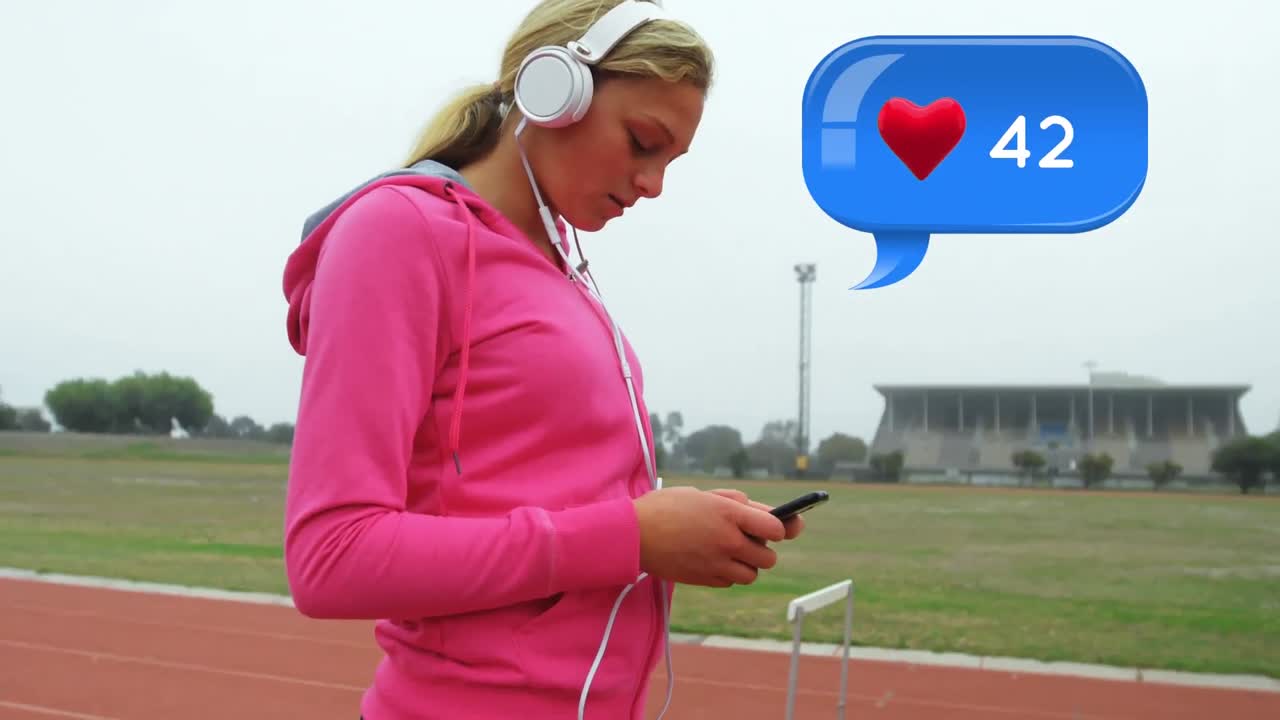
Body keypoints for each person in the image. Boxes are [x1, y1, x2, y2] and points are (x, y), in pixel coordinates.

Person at [280, 1, 805, 718]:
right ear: (553, 90)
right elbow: (331, 559)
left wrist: (683, 525)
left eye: (671, 162)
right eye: (642, 142)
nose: (653, 185)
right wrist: (634, 536)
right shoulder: (397, 233)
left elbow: (547, 495)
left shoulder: (561, 274)